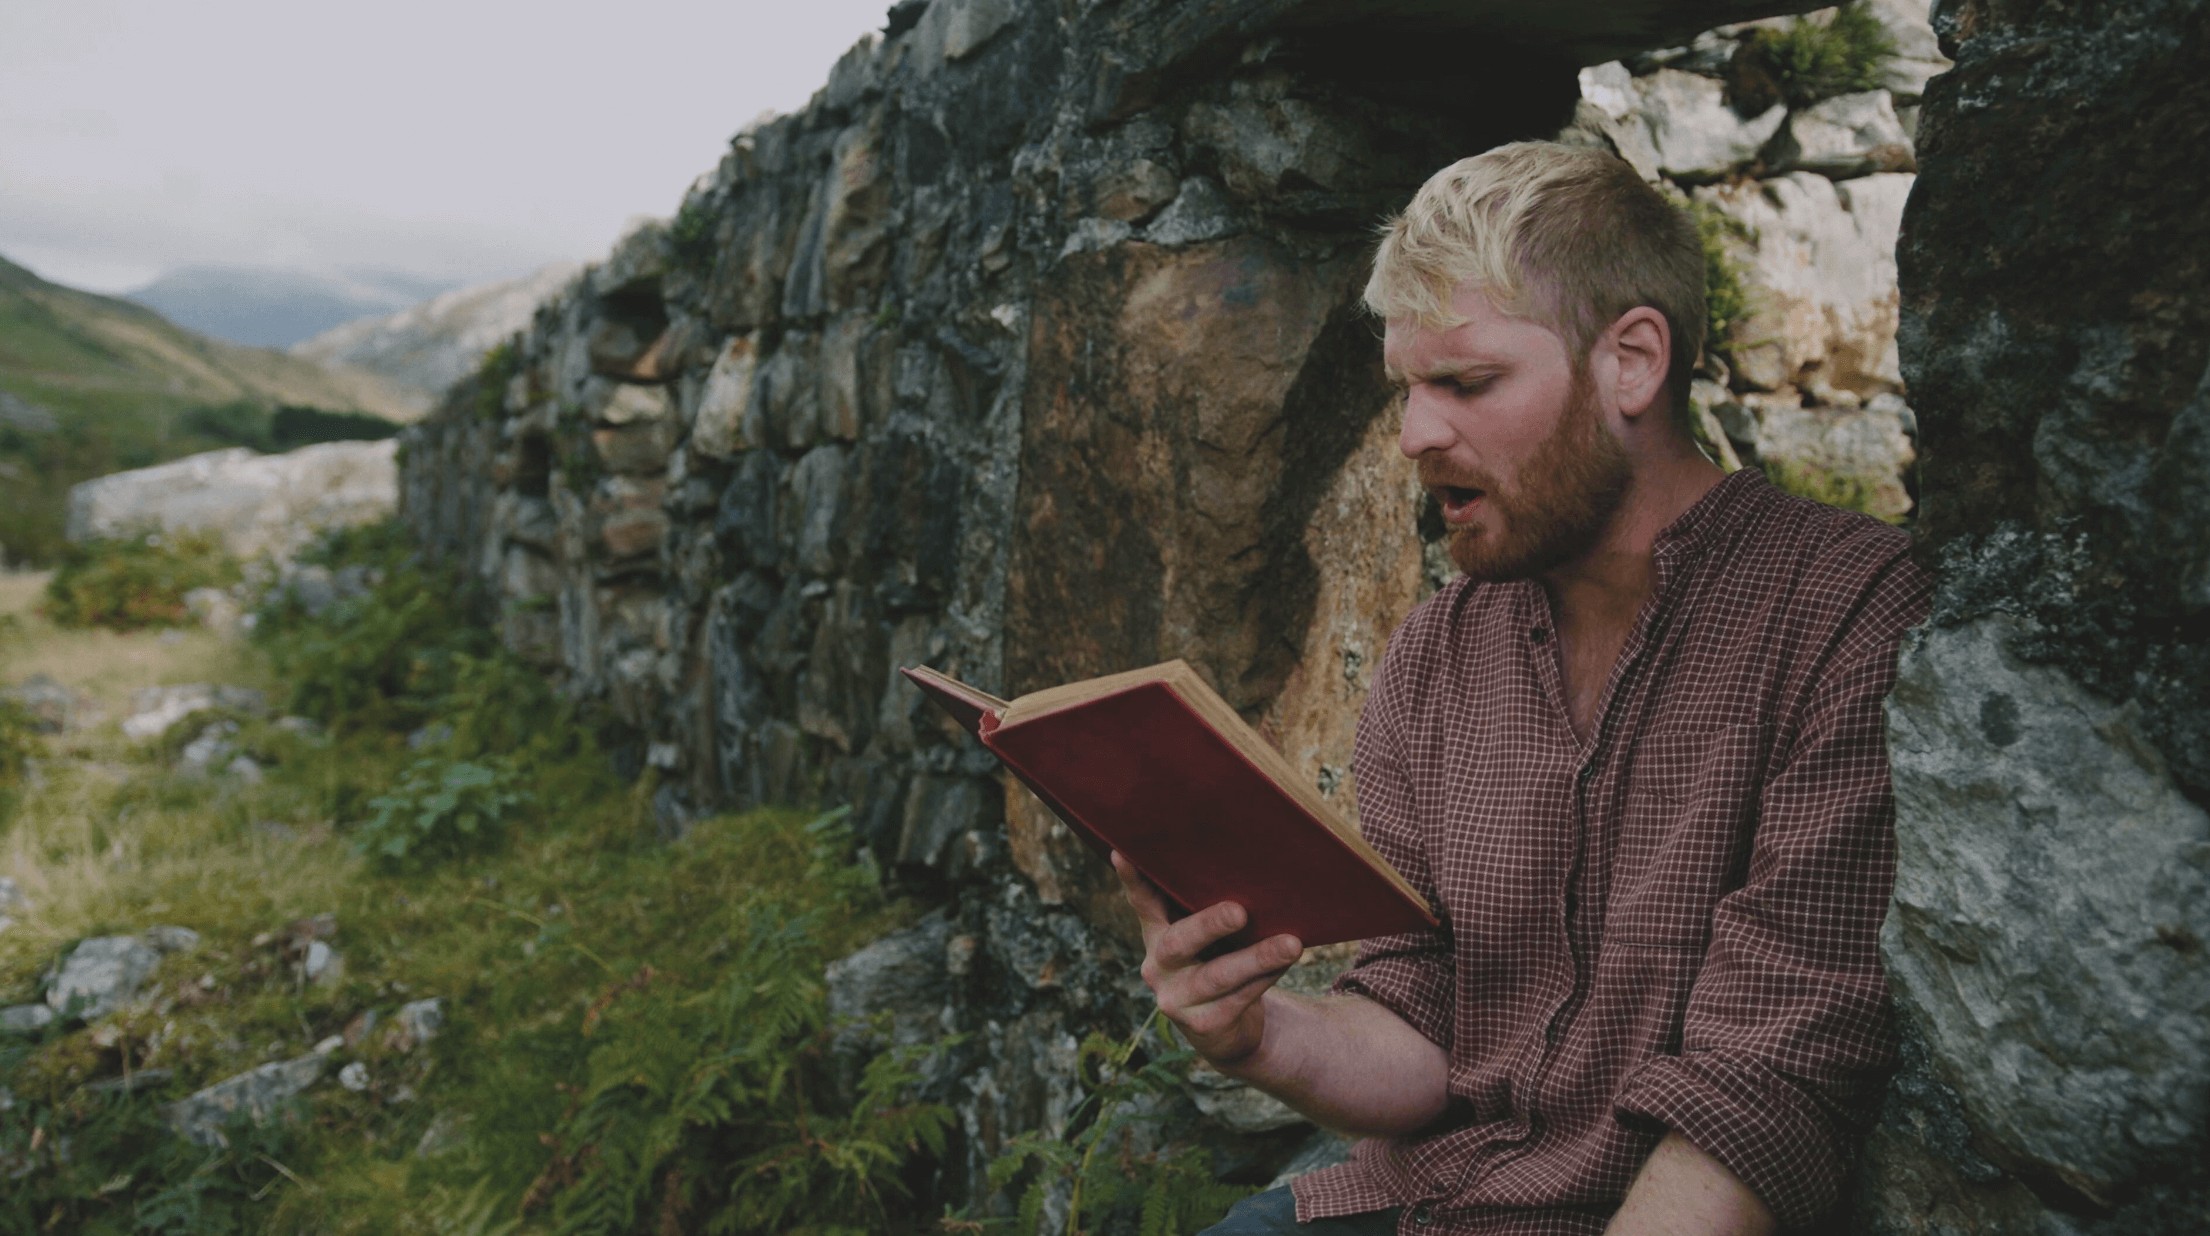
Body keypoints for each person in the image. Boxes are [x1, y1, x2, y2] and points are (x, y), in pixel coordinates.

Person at [1115, 142, 1931, 1234]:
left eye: (1465, 382)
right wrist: (1252, 1033)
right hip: (1417, 1203)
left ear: (1630, 362)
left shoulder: (1842, 612)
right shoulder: (1436, 653)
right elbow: (1418, 1024)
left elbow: (1768, 1082)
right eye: (1406, 389)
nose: (1412, 435)